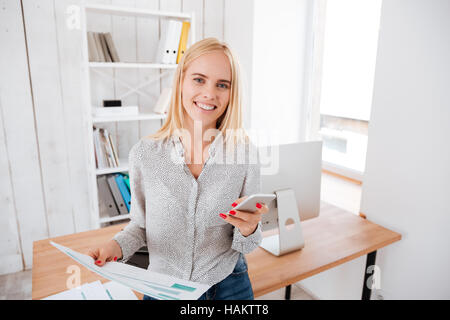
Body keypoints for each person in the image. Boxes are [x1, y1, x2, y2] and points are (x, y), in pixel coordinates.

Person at [87, 37, 268, 300]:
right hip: (163, 289)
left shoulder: (245, 154)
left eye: (222, 85)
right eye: (199, 79)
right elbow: (140, 226)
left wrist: (249, 229)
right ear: (181, 81)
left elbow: (247, 245)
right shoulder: (145, 154)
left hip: (230, 285)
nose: (209, 93)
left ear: (232, 93)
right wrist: (113, 246)